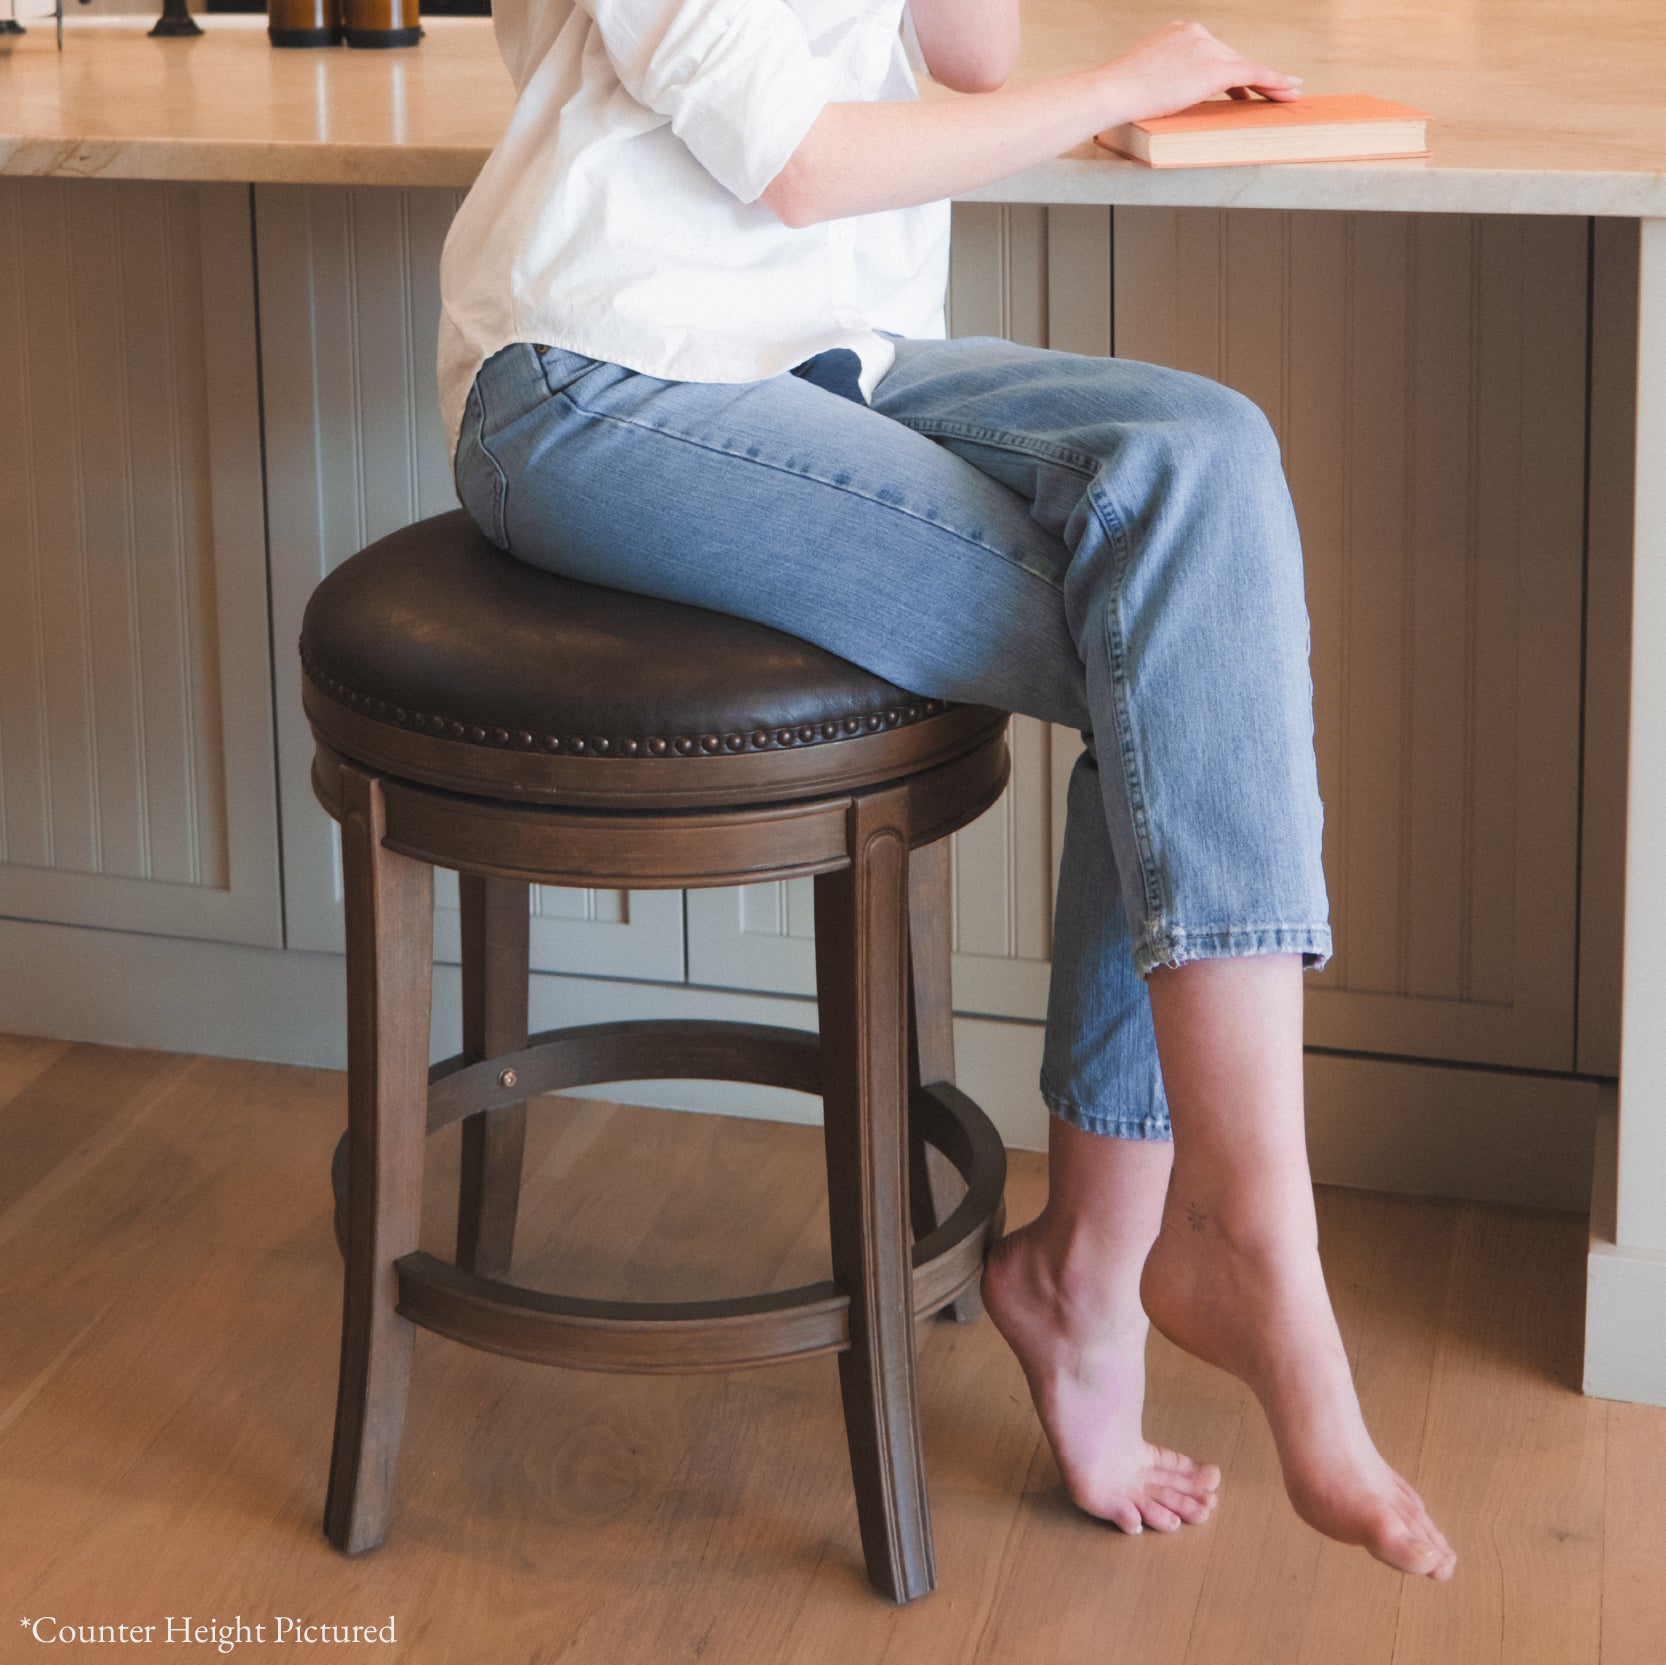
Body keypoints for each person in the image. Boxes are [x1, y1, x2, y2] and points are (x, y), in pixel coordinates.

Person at [437, 0, 1457, 1582]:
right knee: (1182, 652)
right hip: (599, 378)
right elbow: (804, 160)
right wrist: (1129, 82)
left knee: (1202, 461)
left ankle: (1118, 1259)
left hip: (836, 361)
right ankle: (1217, 1245)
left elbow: (966, 50)